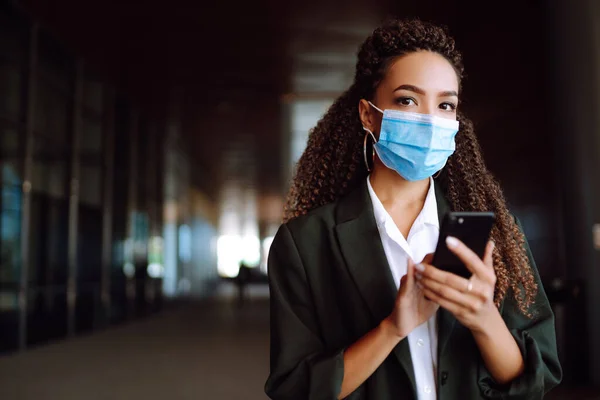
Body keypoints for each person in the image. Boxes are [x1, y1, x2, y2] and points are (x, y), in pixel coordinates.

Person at [264, 18, 562, 400]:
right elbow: (294, 389)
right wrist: (392, 328)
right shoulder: (305, 244)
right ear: (368, 114)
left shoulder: (496, 233)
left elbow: (535, 382)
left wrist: (483, 317)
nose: (429, 120)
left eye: (445, 104)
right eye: (407, 99)